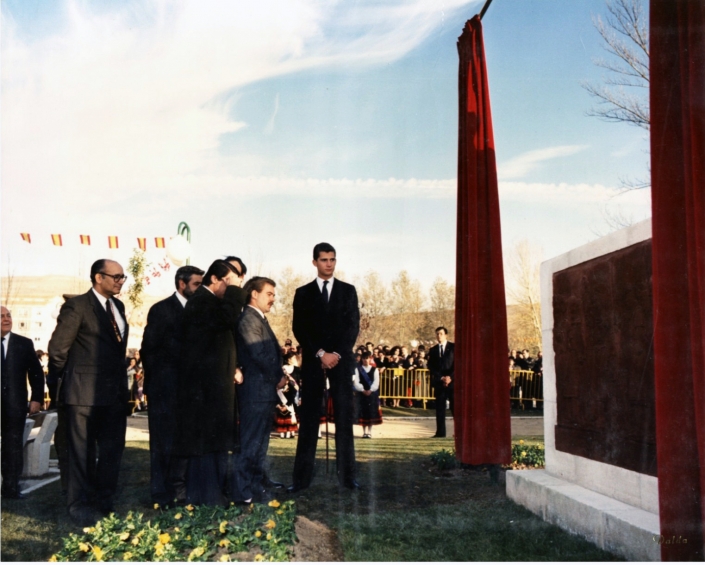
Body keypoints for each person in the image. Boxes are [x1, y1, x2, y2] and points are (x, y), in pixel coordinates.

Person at [48, 259, 129, 526]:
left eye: (122, 277)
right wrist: (70, 381)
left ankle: (103, 501)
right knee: (80, 454)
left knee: (111, 452)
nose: (119, 281)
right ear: (98, 278)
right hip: (82, 395)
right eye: (115, 277)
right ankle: (79, 506)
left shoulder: (118, 306)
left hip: (113, 395)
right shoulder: (77, 306)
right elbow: (58, 350)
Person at [289, 242, 360, 492]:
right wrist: (320, 353)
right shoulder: (303, 293)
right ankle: (301, 480)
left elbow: (352, 327)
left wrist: (336, 354)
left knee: (343, 417)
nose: (328, 264)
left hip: (340, 363)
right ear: (314, 262)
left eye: (332, 259)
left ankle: (348, 477)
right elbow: (300, 328)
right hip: (313, 362)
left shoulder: (348, 291)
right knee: (309, 419)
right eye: (323, 260)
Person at [175, 259, 246, 506]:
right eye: (229, 282)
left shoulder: (209, 302)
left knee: (215, 444)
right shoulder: (201, 302)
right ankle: (206, 495)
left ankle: (213, 493)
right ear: (214, 280)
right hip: (204, 390)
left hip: (214, 386)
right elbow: (226, 318)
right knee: (206, 444)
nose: (233, 288)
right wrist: (237, 290)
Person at [140, 265, 204, 508]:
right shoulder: (161, 310)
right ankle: (161, 494)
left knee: (185, 443)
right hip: (165, 390)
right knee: (162, 444)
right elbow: (150, 350)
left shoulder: (200, 310)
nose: (199, 289)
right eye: (196, 284)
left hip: (191, 392)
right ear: (181, 284)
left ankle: (181, 489)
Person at [231, 277, 287, 504]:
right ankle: (242, 491)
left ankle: (254, 488)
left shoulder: (259, 319)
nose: (273, 299)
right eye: (269, 293)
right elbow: (258, 354)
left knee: (259, 446)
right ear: (254, 294)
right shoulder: (248, 319)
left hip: (263, 393)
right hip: (254, 393)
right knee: (250, 445)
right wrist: (278, 377)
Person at [1, 306, 45, 499]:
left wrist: (36, 398)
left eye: (8, 315)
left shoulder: (24, 344)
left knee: (12, 447)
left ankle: (10, 488)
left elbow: (36, 374)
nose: (6, 319)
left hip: (15, 406)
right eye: (1, 316)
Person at [428, 326, 455, 438]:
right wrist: (441, 378)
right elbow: (431, 366)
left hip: (453, 382)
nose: (439, 336)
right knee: (440, 408)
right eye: (437, 334)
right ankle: (440, 433)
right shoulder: (433, 350)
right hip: (439, 383)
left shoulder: (454, 347)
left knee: (455, 407)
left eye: (441, 334)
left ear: (446, 335)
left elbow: (458, 364)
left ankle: (458, 432)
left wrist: (450, 377)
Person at [353, 351, 382, 439]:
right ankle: (364, 432)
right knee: (363, 413)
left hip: (372, 394)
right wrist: (362, 390)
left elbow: (376, 382)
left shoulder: (375, 369)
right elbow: (356, 382)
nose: (365, 360)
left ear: (370, 359)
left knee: (371, 413)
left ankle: (369, 432)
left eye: (367, 358)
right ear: (361, 359)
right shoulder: (358, 369)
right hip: (361, 394)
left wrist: (371, 390)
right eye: (364, 358)